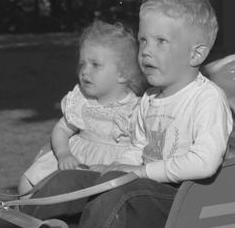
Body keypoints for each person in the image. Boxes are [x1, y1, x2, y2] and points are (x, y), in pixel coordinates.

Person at [23, 0, 233, 228]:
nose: (146, 50)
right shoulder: (150, 98)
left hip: (180, 200)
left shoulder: (207, 99)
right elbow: (138, 147)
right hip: (142, 189)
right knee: (69, 179)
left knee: (115, 192)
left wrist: (139, 172)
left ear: (196, 54)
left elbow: (205, 162)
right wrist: (115, 166)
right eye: (144, 40)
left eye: (161, 42)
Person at [18, 20, 145, 196]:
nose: (85, 71)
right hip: (75, 159)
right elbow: (61, 129)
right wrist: (64, 153)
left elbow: (141, 148)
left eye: (95, 65)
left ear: (122, 74)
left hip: (110, 168)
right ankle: (28, 209)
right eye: (82, 64)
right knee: (27, 182)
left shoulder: (137, 109)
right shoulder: (82, 100)